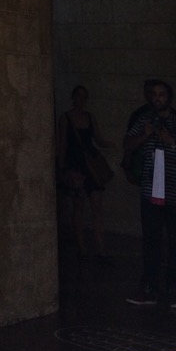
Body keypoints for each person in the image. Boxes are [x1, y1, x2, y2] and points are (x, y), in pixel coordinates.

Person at [123, 79, 176, 311]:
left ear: (169, 97)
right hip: (151, 193)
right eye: (154, 94)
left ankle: (175, 289)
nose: (157, 98)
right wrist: (144, 135)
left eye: (162, 94)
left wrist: (173, 142)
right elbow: (127, 144)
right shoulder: (144, 120)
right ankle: (149, 288)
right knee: (151, 241)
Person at [57, 85, 113, 258]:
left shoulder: (89, 117)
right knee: (79, 206)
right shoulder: (66, 118)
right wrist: (62, 167)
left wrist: (111, 144)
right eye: (78, 96)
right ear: (73, 98)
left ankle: (100, 248)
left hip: (89, 165)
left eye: (83, 97)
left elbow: (98, 138)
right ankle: (82, 247)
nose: (80, 100)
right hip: (75, 165)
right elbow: (63, 144)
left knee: (97, 205)